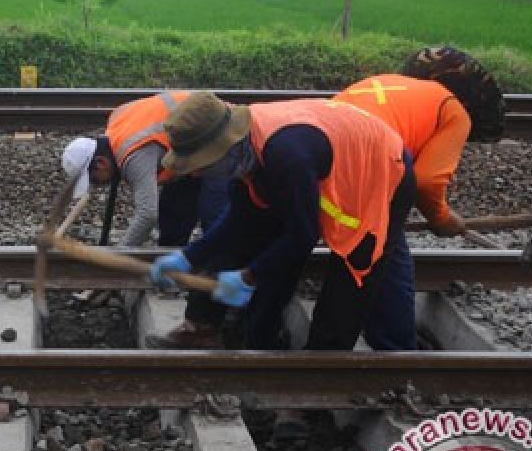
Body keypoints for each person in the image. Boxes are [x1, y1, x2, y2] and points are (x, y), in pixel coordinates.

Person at [148, 91, 415, 363]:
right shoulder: (247, 151)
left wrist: (249, 276)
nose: (195, 174)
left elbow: (303, 235)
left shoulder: (287, 156)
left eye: (201, 165)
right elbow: (237, 221)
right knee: (251, 245)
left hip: (381, 169)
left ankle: (320, 372)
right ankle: (231, 337)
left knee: (349, 280)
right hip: (315, 158)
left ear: (227, 148)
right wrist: (188, 256)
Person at [332, 47, 505, 350]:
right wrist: (442, 219)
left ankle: (325, 337)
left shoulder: (391, 84)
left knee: (357, 246)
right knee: (389, 254)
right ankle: (396, 347)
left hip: (323, 147)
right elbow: (426, 181)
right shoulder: (455, 111)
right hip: (369, 160)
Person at [61, 92, 229, 346]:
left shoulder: (133, 154)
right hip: (190, 151)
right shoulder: (116, 130)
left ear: (102, 162)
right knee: (173, 216)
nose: (98, 187)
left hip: (219, 139)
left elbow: (146, 215)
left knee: (216, 222)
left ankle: (220, 306)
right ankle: (172, 278)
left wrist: (115, 263)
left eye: (95, 180)